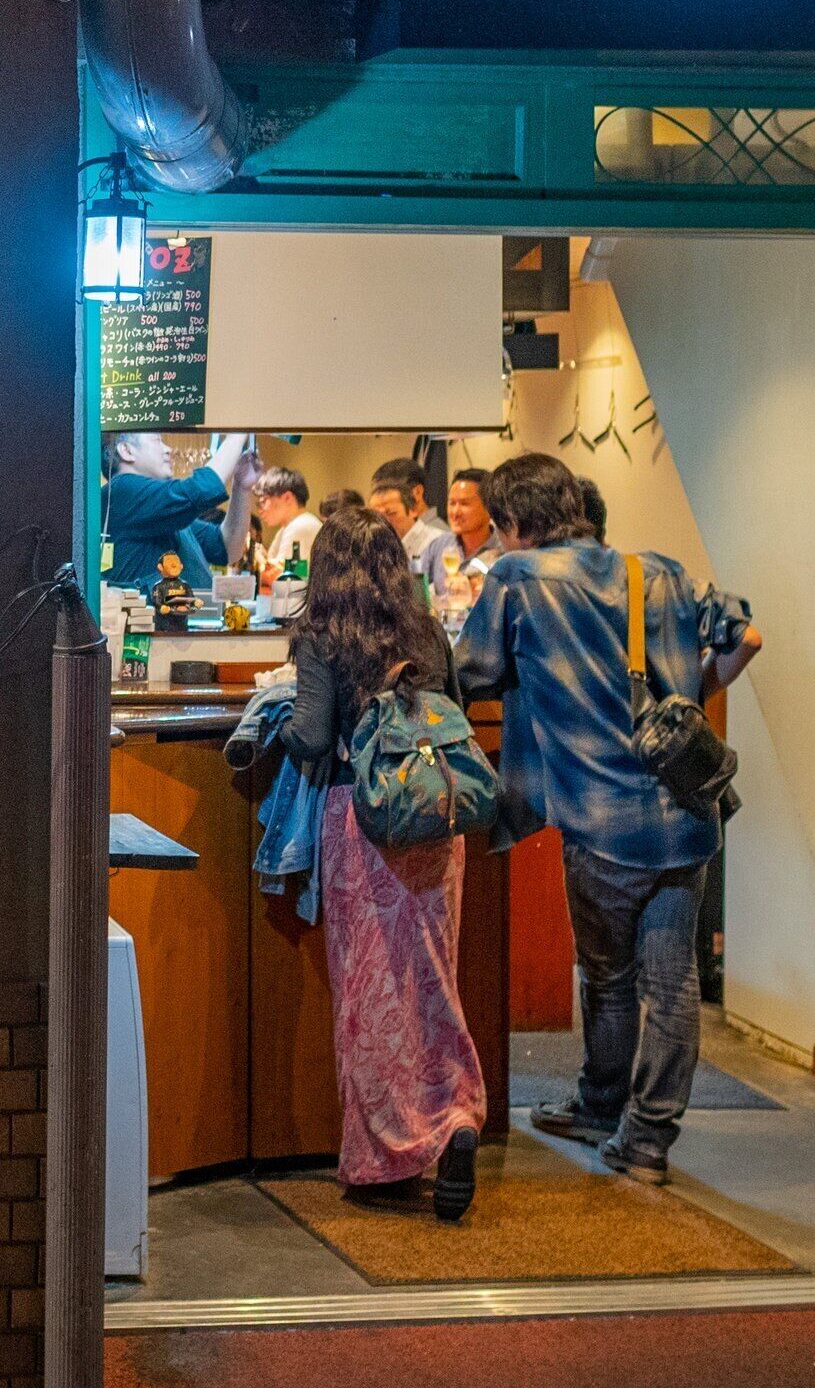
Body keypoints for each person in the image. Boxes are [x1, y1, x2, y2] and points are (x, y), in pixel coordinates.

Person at [453, 454, 762, 1186]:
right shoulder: (656, 570)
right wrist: (690, 697)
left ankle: (599, 1110)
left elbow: (469, 673)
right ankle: (648, 1140)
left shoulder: (517, 580)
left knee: (610, 977)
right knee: (674, 983)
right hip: (686, 814)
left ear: (518, 523)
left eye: (499, 528)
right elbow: (745, 637)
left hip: (600, 819)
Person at [280, 503, 489, 1220]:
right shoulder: (426, 632)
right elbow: (452, 716)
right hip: (436, 827)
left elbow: (310, 739)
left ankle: (387, 1157)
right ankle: (456, 1117)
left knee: (373, 1000)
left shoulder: (322, 636)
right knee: (433, 981)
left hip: (362, 826)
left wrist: (280, 715)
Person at [101, 433, 250, 595]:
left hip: (177, 619)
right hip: (149, 620)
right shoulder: (122, 490)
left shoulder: (155, 509)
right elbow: (203, 489)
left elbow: (227, 549)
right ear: (126, 451)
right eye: (157, 440)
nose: (168, 449)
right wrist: (237, 434)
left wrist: (242, 487)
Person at [427, 470, 499, 633]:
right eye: (452, 503)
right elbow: (416, 590)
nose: (455, 512)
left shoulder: (504, 550)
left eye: (465, 504)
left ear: (489, 508)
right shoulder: (439, 545)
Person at [248, 467, 317, 611]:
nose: (260, 509)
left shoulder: (300, 526)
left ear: (287, 498)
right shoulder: (288, 527)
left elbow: (281, 579)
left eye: (264, 501)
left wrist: (260, 562)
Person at [370, 458, 447, 582]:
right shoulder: (377, 545)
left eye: (390, 513)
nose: (382, 522)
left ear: (412, 508)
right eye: (376, 516)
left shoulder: (438, 540)